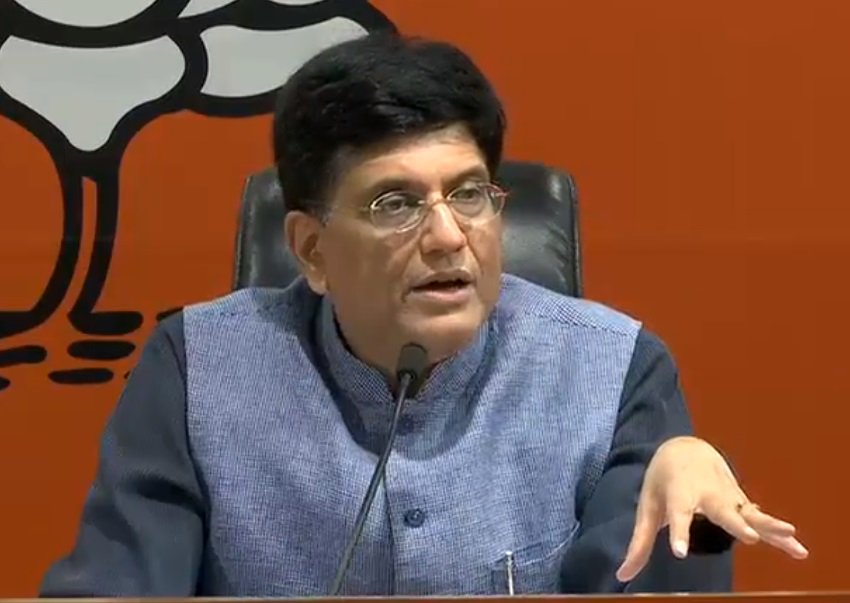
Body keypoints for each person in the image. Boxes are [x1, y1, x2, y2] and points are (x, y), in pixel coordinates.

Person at [40, 32, 807, 597]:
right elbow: (115, 585)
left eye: (469, 193)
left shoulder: (615, 370)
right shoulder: (196, 371)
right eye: (395, 203)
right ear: (311, 249)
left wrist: (688, 543)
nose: (447, 236)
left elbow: (645, 580)